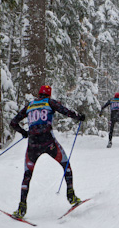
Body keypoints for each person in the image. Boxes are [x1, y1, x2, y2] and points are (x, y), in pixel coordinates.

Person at [9, 84, 85, 218]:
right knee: (66, 165)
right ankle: (71, 196)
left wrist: (24, 132)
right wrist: (79, 117)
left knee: (27, 175)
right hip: (48, 142)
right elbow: (65, 111)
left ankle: (21, 207)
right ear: (49, 94)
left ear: (39, 94)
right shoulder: (50, 102)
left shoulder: (29, 105)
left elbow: (13, 122)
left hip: (33, 145)